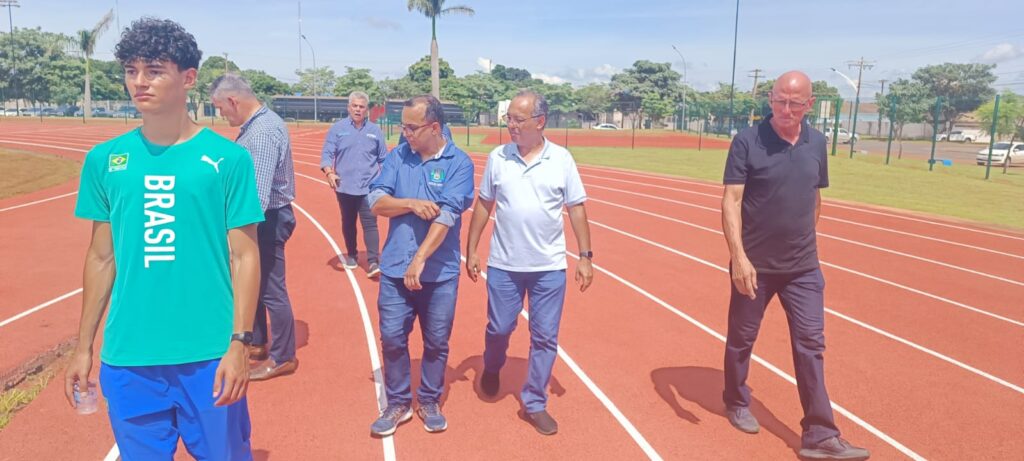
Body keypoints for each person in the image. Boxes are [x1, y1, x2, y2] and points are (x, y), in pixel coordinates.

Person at [64, 18, 263, 460]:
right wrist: (83, 348)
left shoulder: (228, 160)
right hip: (129, 357)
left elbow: (245, 256)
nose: (139, 82)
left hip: (209, 355)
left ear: (188, 78)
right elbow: (101, 258)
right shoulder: (104, 161)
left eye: (154, 70)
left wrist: (239, 342)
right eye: (131, 70)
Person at [721, 70, 870, 460]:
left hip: (803, 268)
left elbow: (814, 200)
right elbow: (731, 201)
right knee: (742, 338)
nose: (785, 109)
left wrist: (802, 242)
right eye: (779, 101)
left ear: (810, 104)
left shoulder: (817, 143)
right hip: (754, 265)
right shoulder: (747, 141)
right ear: (770, 99)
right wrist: (739, 258)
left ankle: (820, 433)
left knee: (810, 345)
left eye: (794, 103)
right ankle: (736, 399)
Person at [464, 89, 594, 436]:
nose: (511, 126)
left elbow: (576, 208)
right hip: (504, 265)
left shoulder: (562, 159)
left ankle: (535, 401)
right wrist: (472, 248)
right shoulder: (498, 157)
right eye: (509, 119)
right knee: (500, 328)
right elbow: (483, 205)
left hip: (549, 267)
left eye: (518, 120)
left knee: (545, 337)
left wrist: (585, 257)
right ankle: (493, 365)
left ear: (540, 122)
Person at [366, 95, 475, 436]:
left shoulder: (460, 163)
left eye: (411, 127)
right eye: (403, 126)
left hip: (439, 273)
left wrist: (421, 258)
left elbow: (447, 214)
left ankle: (428, 399)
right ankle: (398, 402)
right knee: (392, 337)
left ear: (434, 127)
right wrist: (411, 203)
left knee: (437, 341)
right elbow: (376, 202)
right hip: (396, 269)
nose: (405, 133)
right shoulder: (398, 157)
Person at [210, 73, 299, 381]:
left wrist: (229, 228)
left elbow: (257, 196)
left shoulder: (261, 132)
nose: (221, 115)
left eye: (220, 108)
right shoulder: (260, 124)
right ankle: (258, 341)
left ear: (233, 101)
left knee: (272, 287)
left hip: (266, 219)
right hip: (265, 216)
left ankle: (284, 356)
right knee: (256, 283)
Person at [319, 91, 388, 277]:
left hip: (369, 187)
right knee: (348, 222)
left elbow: (384, 159)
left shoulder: (375, 131)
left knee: (370, 223)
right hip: (345, 187)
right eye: (355, 106)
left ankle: (373, 261)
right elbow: (327, 154)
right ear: (349, 107)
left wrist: (386, 183)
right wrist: (329, 172)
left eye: (362, 106)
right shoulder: (337, 129)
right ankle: (352, 254)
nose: (358, 109)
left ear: (367, 110)